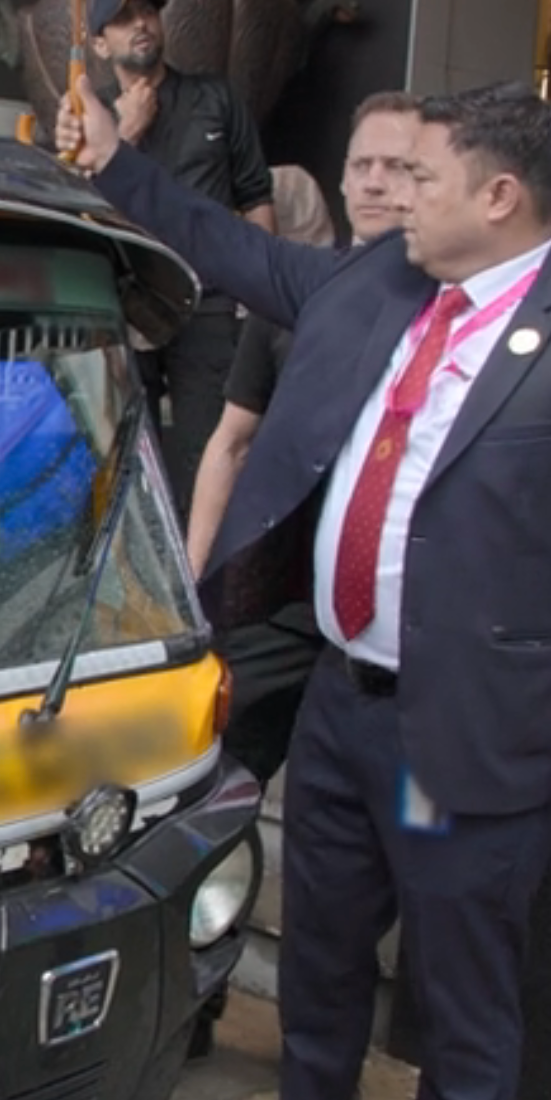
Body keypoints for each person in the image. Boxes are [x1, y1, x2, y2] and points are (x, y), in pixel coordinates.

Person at [58, 78, 551, 1100]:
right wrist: (115, 163)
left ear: (499, 195)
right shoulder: (372, 287)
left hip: (464, 732)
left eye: (423, 178)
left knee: (458, 1004)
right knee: (317, 975)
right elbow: (233, 251)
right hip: (339, 711)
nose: (397, 197)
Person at [188, 93, 423, 788]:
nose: (377, 182)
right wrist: (196, 586)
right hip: (281, 605)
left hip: (399, 641)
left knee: (400, 833)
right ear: (343, 181)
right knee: (213, 778)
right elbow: (230, 443)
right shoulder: (294, 299)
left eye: (400, 166)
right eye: (363, 165)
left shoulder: (457, 315)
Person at [69, 0, 275, 518]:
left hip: (209, 300)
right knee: (127, 452)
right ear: (99, 44)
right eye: (124, 18)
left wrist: (264, 293)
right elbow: (79, 213)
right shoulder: (89, 120)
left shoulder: (216, 97)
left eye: (149, 12)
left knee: (209, 448)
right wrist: (126, 135)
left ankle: (203, 578)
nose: (141, 23)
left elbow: (257, 198)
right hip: (129, 301)